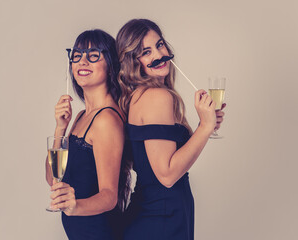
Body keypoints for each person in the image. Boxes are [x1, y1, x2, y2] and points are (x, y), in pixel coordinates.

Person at [116, 19, 226, 240]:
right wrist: (205, 127)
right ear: (132, 62)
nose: (158, 55)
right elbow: (166, 175)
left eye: (159, 45)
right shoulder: (157, 97)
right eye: (146, 52)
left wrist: (205, 125)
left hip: (159, 215)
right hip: (160, 219)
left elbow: (162, 160)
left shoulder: (139, 96)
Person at [45, 29, 130, 240]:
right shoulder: (82, 115)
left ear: (110, 64)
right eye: (77, 54)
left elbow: (109, 196)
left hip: (100, 233)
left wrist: (75, 207)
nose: (82, 61)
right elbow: (53, 179)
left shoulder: (106, 120)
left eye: (93, 55)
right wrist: (60, 129)